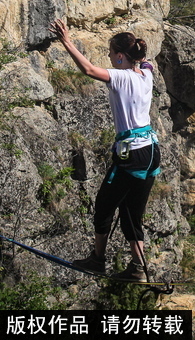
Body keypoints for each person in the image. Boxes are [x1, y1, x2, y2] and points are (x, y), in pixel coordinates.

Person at [48, 19, 160, 282]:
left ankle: (97, 260)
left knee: (104, 207)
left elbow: (88, 69)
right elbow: (147, 62)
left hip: (131, 153)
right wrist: (141, 57)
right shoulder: (147, 75)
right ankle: (139, 268)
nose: (109, 58)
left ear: (121, 56)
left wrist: (66, 41)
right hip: (152, 151)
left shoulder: (120, 77)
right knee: (132, 215)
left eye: (111, 54)